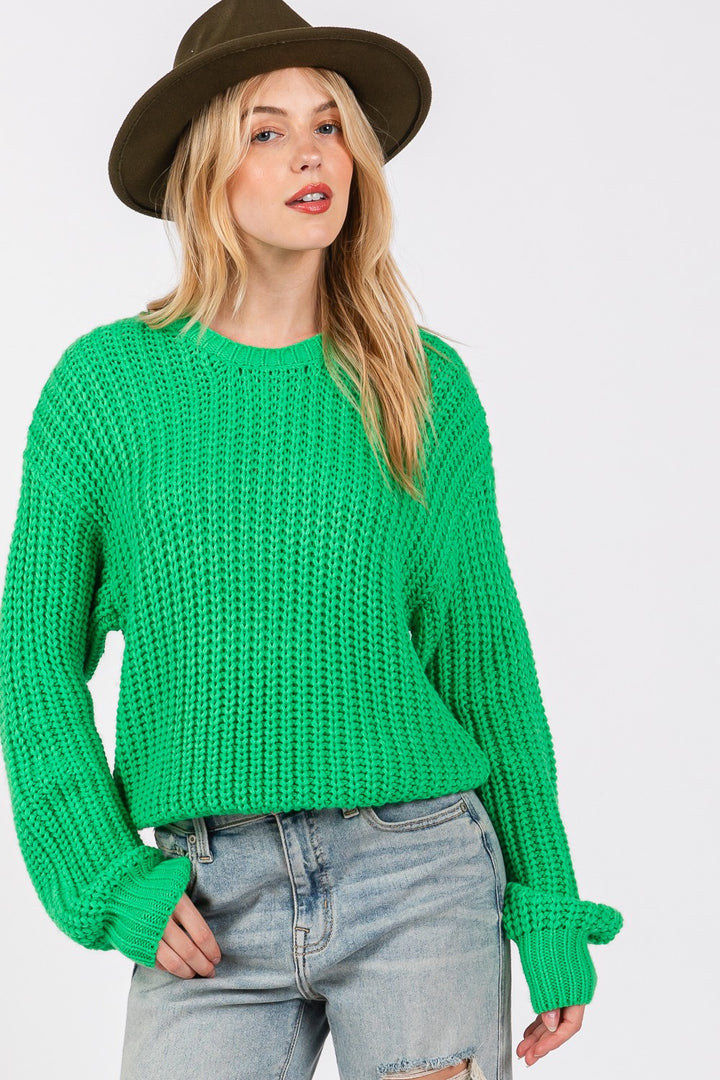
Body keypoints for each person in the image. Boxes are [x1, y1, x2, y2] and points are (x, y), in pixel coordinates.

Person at [0, 2, 623, 1078]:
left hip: (419, 877)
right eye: (268, 129)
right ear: (205, 168)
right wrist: (101, 876)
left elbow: (484, 660)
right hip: (204, 901)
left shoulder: (423, 386)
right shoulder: (106, 391)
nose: (311, 154)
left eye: (329, 125)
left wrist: (547, 900)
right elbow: (32, 659)